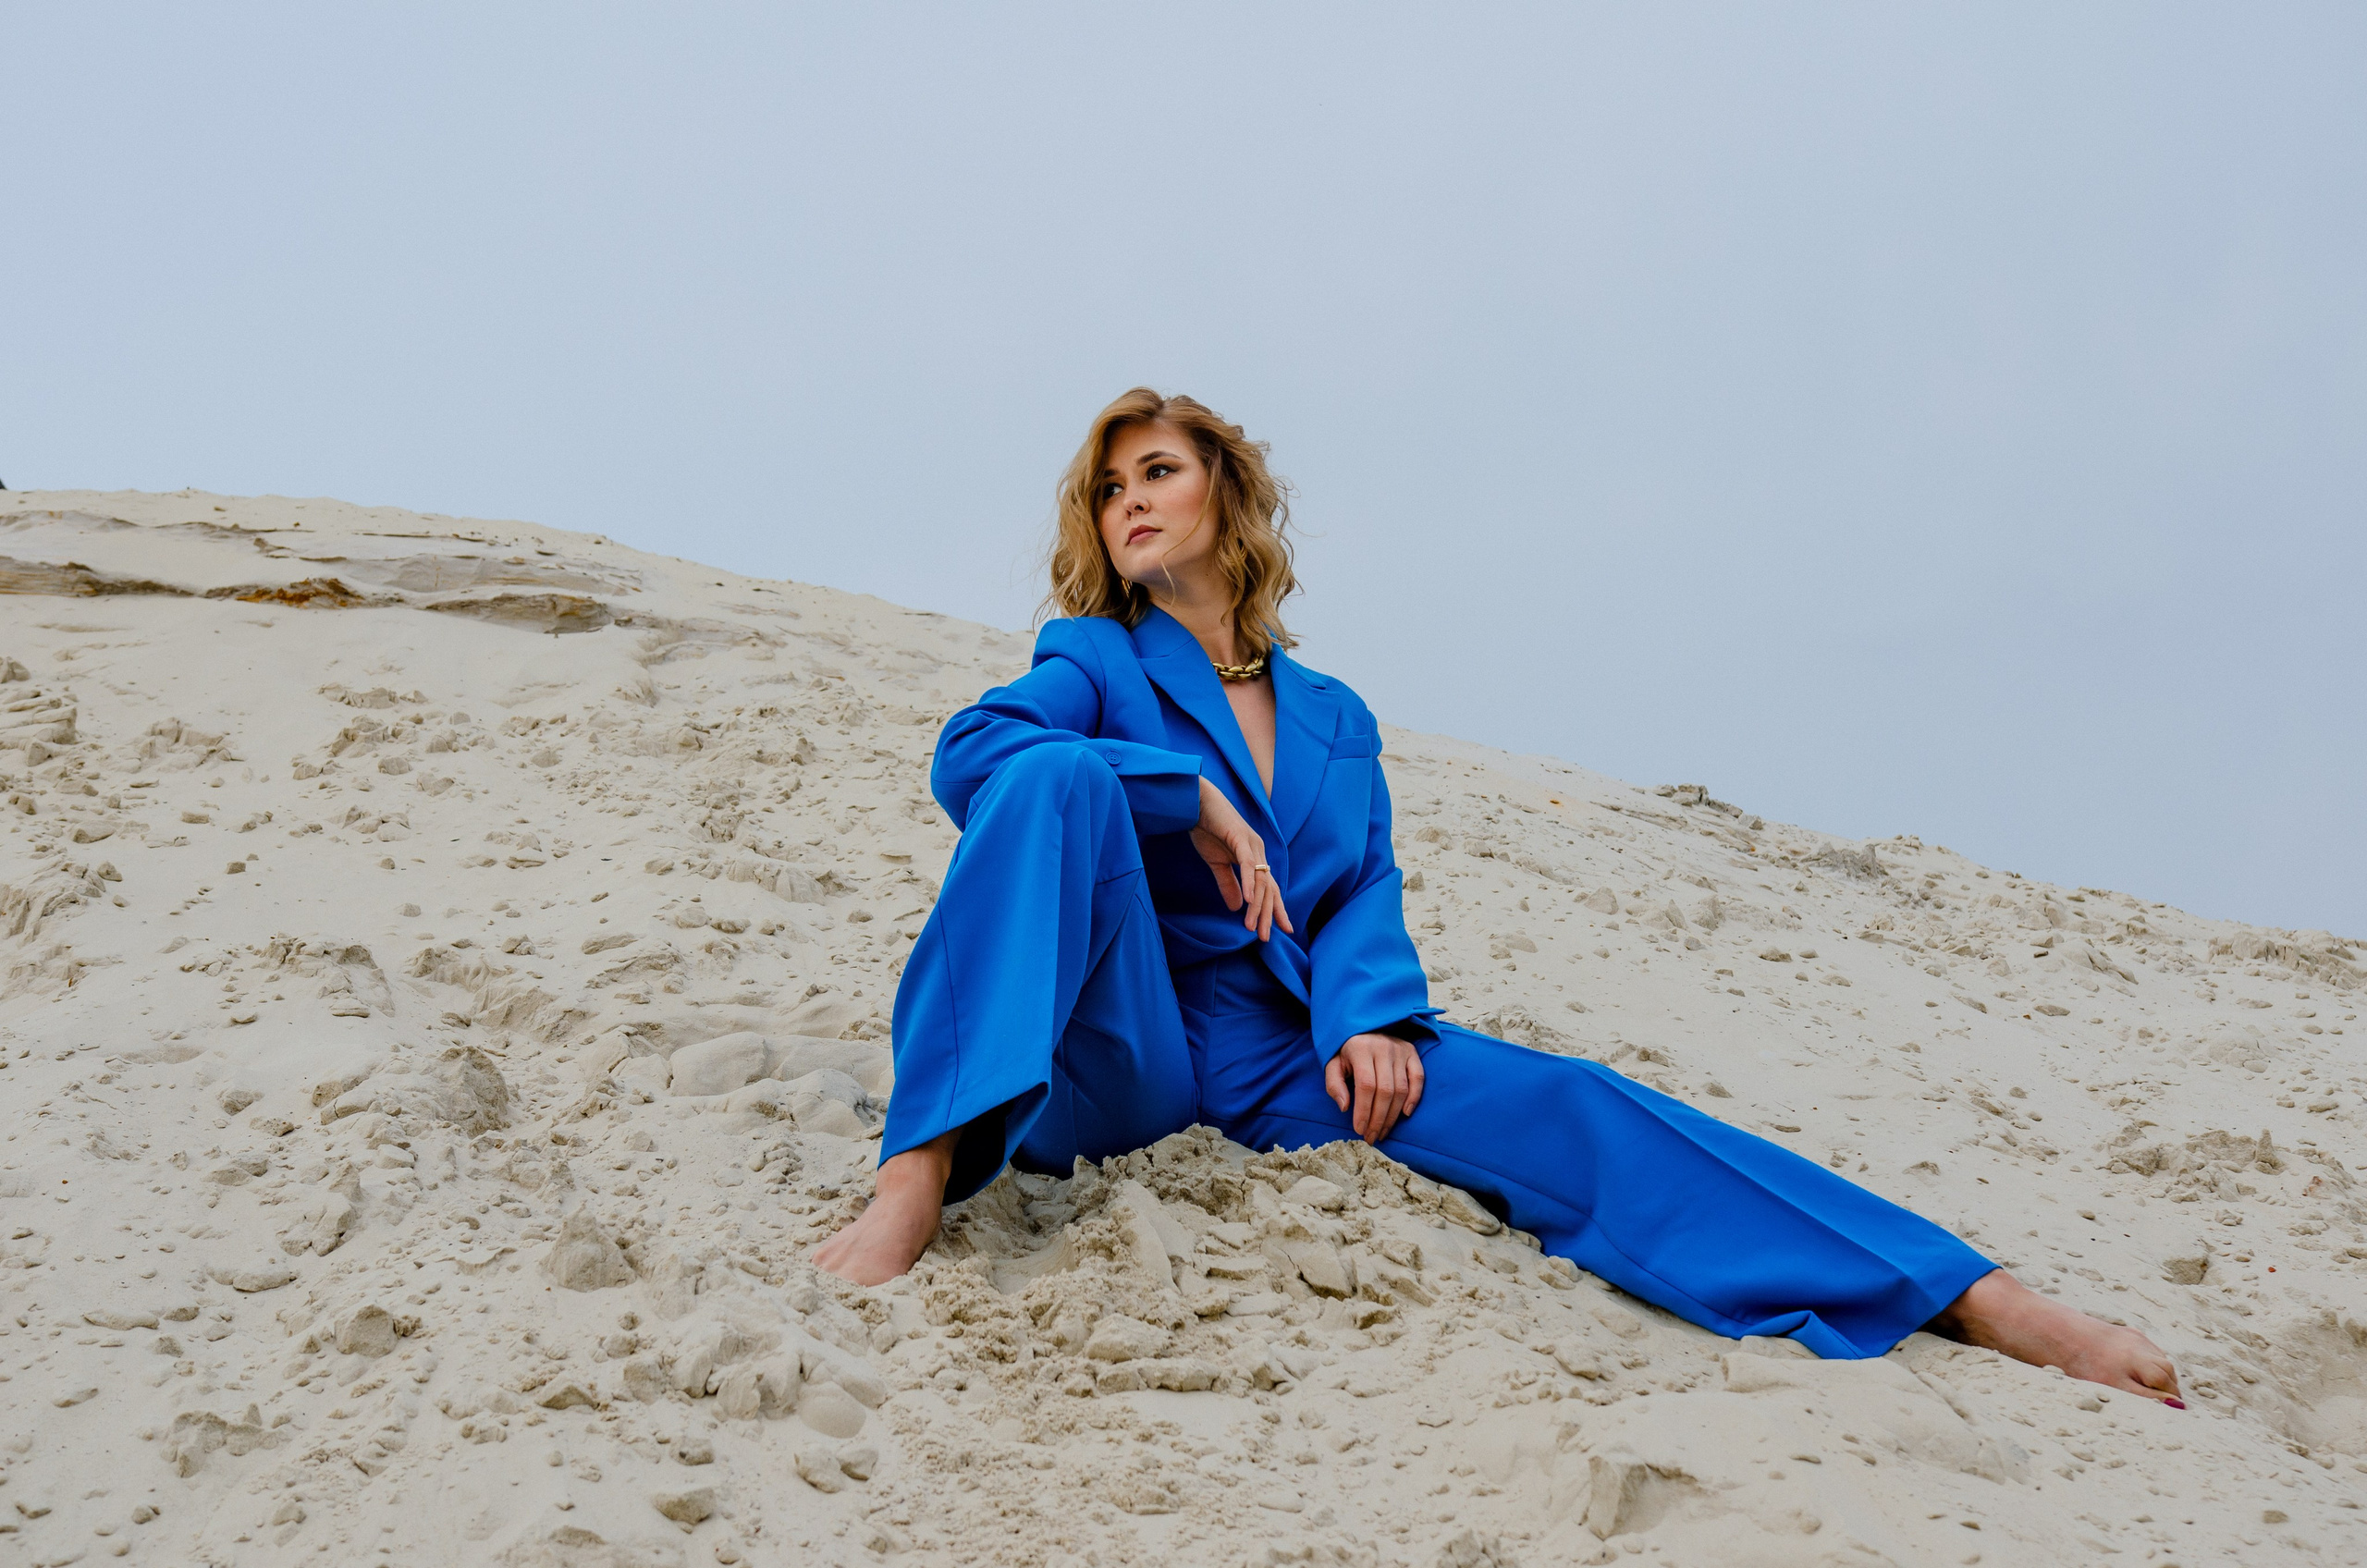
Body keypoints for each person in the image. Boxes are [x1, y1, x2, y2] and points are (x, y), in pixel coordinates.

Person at [815, 388, 2181, 1401]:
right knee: (1055, 777)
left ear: (1226, 494)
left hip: (1285, 1052)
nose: (1128, 502)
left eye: (1157, 472)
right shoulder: (1092, 656)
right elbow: (971, 757)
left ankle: (1971, 1294)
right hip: (1124, 1040)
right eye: (1110, 487)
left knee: (1580, 1106)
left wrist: (1367, 1017)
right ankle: (917, 1173)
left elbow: (1361, 889)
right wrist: (1182, 795)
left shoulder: (1335, 715)